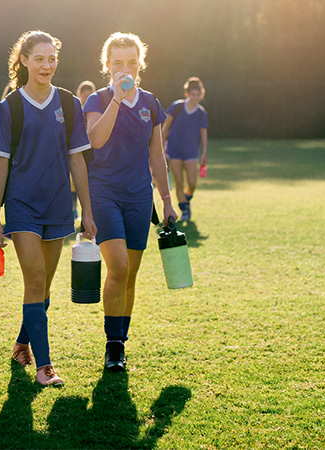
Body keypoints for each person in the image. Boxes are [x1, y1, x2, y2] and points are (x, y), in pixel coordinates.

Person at [0, 30, 96, 387]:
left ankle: (22, 342)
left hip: (57, 206)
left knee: (43, 287)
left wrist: (88, 211)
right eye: (39, 59)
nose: (47, 66)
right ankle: (45, 366)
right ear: (23, 61)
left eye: (52, 59)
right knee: (35, 281)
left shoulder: (69, 104)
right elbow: (0, 163)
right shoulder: (10, 107)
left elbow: (78, 161)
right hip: (21, 206)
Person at [83, 32, 177, 372]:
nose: (126, 69)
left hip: (139, 195)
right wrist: (118, 100)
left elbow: (157, 155)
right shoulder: (96, 100)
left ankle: (120, 343)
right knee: (118, 267)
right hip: (103, 193)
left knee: (131, 274)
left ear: (140, 65)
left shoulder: (151, 103)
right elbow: (95, 140)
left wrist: (167, 200)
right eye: (118, 63)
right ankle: (112, 344)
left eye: (132, 63)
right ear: (107, 65)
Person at [162, 76, 208, 221]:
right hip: (174, 150)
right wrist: (161, 147)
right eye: (192, 94)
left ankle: (186, 200)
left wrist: (204, 153)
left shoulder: (201, 113)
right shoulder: (177, 106)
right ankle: (185, 210)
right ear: (187, 93)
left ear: (201, 94)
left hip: (191, 152)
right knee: (179, 182)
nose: (195, 97)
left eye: (197, 94)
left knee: (192, 183)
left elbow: (203, 134)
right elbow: (165, 127)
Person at [71, 80, 97, 219]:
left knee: (90, 184)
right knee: (73, 182)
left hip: (92, 153)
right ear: (79, 95)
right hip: (77, 152)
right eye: (84, 96)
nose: (87, 99)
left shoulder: (97, 111)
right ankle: (73, 208)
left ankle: (88, 214)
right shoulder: (75, 111)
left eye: (90, 96)